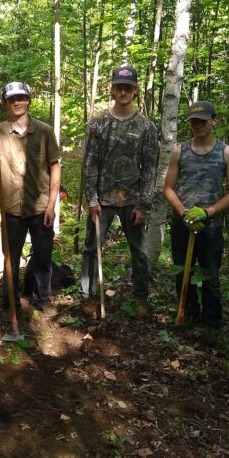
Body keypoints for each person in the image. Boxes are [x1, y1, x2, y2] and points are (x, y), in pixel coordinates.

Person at [81, 66, 159, 317]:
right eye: (119, 87)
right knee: (93, 248)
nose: (123, 91)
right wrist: (92, 199)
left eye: (128, 87)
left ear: (135, 91)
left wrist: (144, 205)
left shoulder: (146, 127)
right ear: (112, 90)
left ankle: (140, 299)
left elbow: (149, 169)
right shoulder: (99, 123)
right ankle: (88, 296)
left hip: (133, 201)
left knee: (140, 251)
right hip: (101, 201)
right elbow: (90, 163)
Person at [162, 101, 229, 329]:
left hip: (211, 226)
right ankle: (187, 315)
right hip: (181, 223)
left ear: (213, 121)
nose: (198, 125)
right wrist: (183, 212)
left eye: (203, 121)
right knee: (182, 271)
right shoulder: (180, 151)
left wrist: (209, 212)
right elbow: (168, 188)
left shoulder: (227, 153)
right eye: (194, 122)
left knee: (210, 274)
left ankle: (212, 322)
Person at [0, 82, 61, 314]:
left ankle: (42, 298)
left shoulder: (45, 131)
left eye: (20, 98)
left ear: (28, 100)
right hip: (12, 210)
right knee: (11, 257)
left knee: (42, 255)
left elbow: (55, 168)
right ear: (5, 103)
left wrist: (51, 205)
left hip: (40, 207)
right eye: (11, 99)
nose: (16, 102)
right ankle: (11, 300)